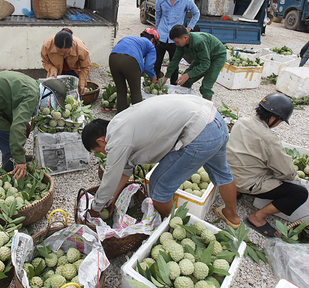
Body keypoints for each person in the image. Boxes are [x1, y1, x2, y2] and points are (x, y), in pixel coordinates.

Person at [81, 94, 240, 225]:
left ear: (101, 141)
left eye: (100, 151)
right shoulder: (119, 122)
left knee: (159, 187)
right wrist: (113, 197)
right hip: (214, 119)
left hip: (200, 133)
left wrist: (95, 208)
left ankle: (167, 227)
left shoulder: (116, 141)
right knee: (222, 173)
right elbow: (125, 170)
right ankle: (231, 216)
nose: (105, 153)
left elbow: (110, 178)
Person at [227, 93, 309, 237]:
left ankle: (236, 192)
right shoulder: (269, 138)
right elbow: (288, 173)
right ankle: (257, 217)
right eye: (280, 121)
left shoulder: (242, 121)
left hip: (228, 175)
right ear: (273, 117)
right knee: (300, 193)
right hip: (246, 182)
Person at [0, 71, 67, 179]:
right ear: (47, 92)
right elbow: (17, 127)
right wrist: (19, 160)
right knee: (8, 141)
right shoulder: (32, 95)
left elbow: (16, 102)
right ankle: (6, 176)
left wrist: (24, 122)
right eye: (51, 102)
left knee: (16, 136)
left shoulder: (33, 86)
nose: (49, 106)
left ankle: (17, 156)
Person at [154, 0, 200, 84]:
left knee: (174, 64)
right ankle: (154, 84)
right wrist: (157, 30)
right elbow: (158, 15)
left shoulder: (186, 0)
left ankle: (173, 86)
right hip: (161, 36)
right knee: (156, 63)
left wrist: (188, 28)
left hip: (176, 39)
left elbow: (196, 13)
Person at [163, 25, 227, 100]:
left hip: (217, 56)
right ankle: (186, 103)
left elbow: (205, 64)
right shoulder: (181, 44)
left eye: (177, 42)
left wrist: (189, 74)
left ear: (185, 37)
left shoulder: (199, 42)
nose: (175, 44)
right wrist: (166, 77)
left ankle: (207, 108)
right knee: (185, 81)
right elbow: (175, 61)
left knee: (206, 87)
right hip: (202, 57)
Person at [109, 28, 159, 112]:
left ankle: (120, 120)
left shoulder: (129, 38)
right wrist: (153, 76)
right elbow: (148, 67)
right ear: (152, 40)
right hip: (130, 61)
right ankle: (137, 120)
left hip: (113, 58)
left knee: (121, 91)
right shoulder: (150, 45)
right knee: (135, 92)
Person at [41, 28, 92, 95]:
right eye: (58, 51)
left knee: (74, 97)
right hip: (55, 74)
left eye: (66, 52)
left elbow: (86, 66)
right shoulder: (47, 45)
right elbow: (45, 62)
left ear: (71, 47)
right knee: (54, 94)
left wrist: (81, 83)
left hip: (74, 72)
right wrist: (52, 68)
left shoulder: (81, 48)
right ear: (54, 45)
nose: (62, 54)